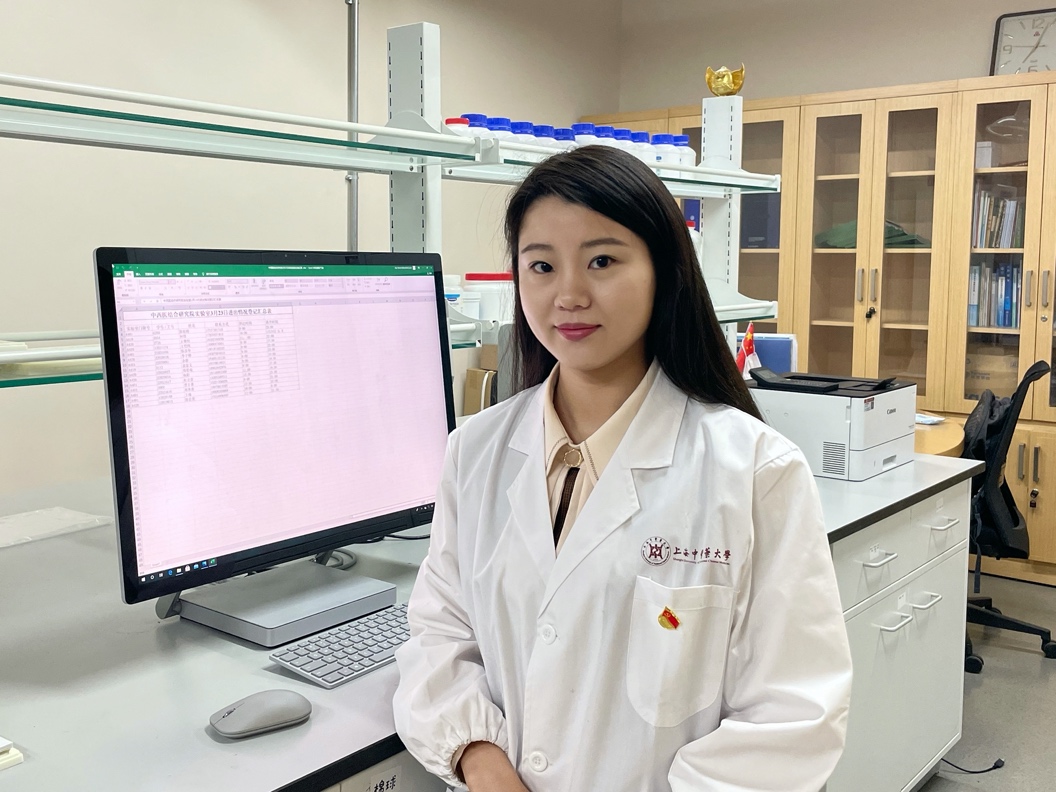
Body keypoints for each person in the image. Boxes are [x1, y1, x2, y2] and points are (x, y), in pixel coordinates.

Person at [393, 145, 852, 792]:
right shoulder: (476, 450)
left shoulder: (754, 471)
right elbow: (439, 634)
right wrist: (482, 761)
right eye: (542, 266)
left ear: (664, 269)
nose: (569, 294)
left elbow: (792, 716)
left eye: (602, 261)